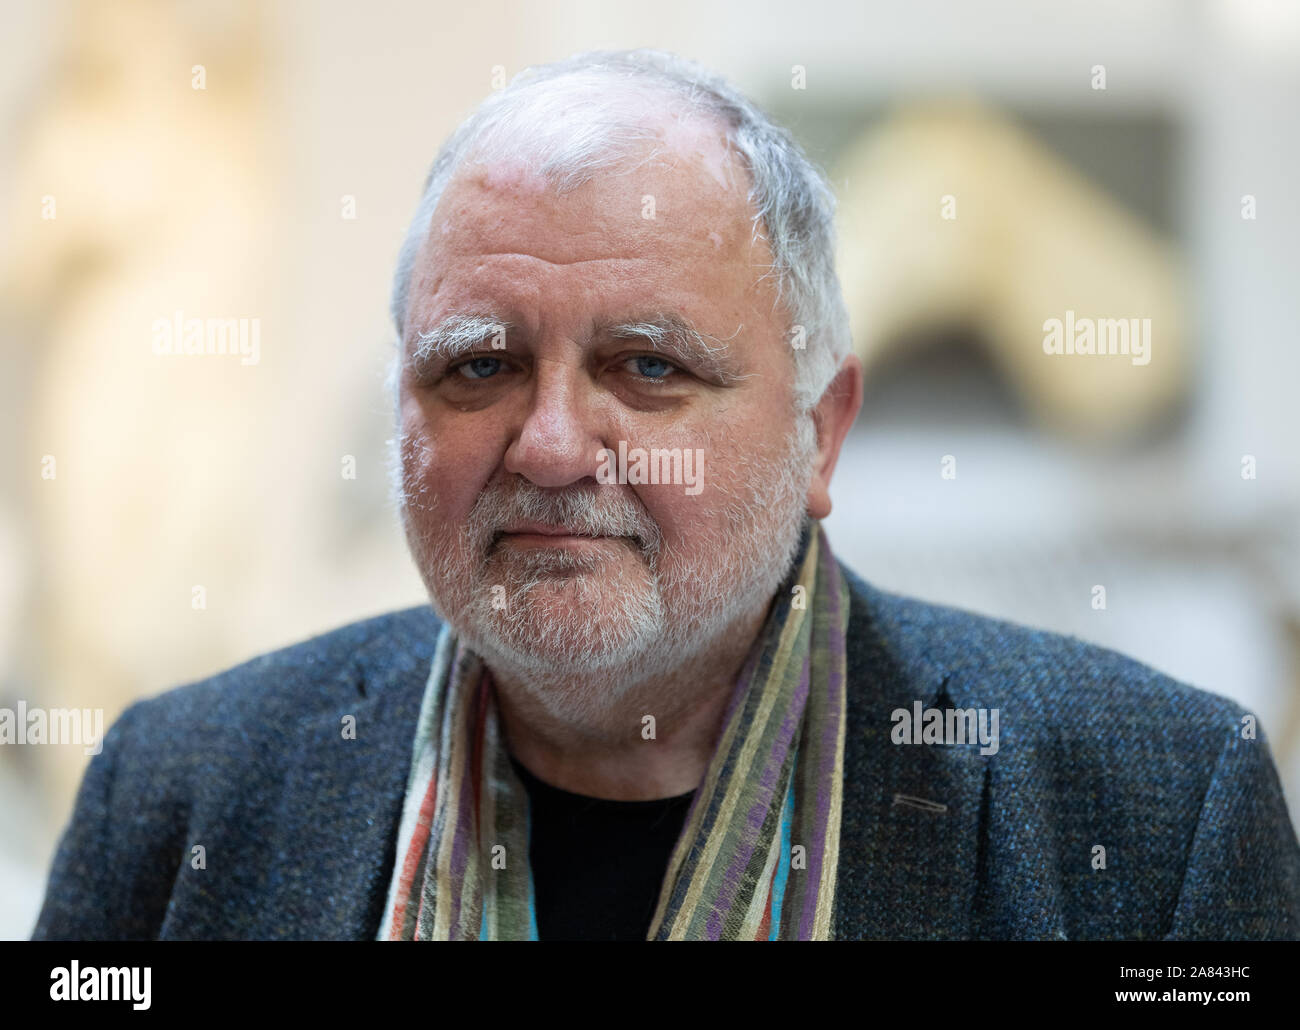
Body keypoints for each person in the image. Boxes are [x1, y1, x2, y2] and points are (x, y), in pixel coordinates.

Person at [33, 48, 1300, 941]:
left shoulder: (1149, 815)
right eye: (479, 364)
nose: (547, 445)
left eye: (647, 367)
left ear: (821, 433)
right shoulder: (179, 790)